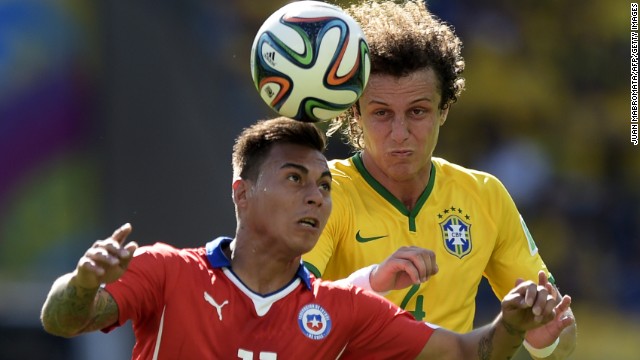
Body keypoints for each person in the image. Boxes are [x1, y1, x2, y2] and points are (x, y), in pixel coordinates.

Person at [40, 117, 571, 359]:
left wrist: (510, 324)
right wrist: (84, 283)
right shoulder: (168, 271)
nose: (316, 196)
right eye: (294, 179)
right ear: (242, 195)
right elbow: (60, 320)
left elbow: (466, 351)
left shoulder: (344, 309)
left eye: (322, 184)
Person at [301, 1, 577, 359]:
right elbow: (292, 312)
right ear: (356, 114)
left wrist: (547, 339)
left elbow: (563, 341)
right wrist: (372, 282)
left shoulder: (485, 196)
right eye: (381, 113)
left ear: (444, 109)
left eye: (417, 111)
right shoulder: (323, 193)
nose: (400, 133)